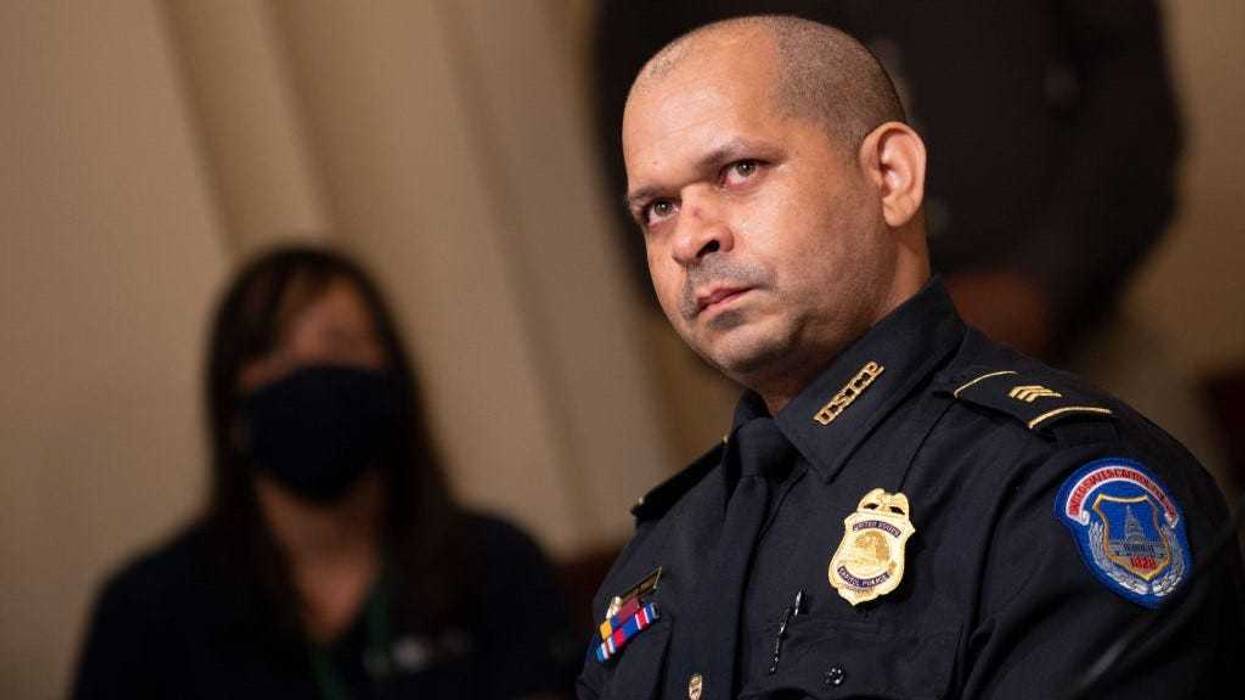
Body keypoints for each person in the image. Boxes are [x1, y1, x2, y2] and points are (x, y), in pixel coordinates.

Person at [578, 16, 1242, 699]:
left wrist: (1045, 283)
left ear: (890, 176)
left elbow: (1129, 111)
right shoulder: (658, 561)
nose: (690, 237)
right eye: (657, 208)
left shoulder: (1051, 494)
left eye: (739, 170)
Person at [74, 246, 575, 698]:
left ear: (390, 379)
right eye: (272, 352)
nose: (309, 369)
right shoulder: (146, 615)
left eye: (340, 343)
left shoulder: (495, 565)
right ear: (230, 406)